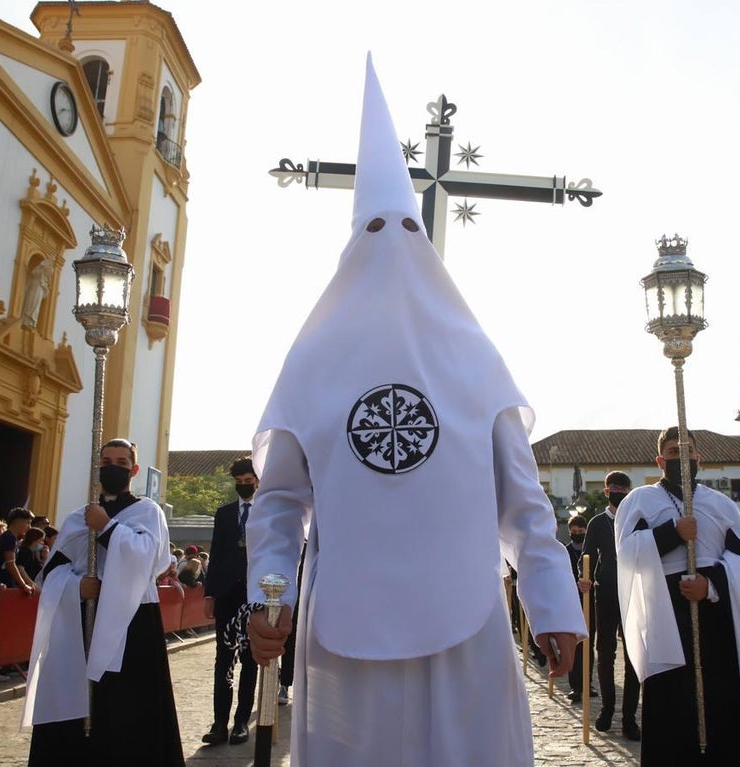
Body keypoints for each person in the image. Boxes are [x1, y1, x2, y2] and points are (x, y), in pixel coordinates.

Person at [243, 57, 585, 767]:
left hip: (467, 625)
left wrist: (552, 604)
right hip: (345, 630)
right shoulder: (311, 364)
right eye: (376, 229)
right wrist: (264, 599)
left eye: (405, 228)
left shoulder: (475, 359)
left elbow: (523, 505)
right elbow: (278, 505)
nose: (390, 245)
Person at [616, 427, 740, 766]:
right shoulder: (640, 500)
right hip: (667, 611)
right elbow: (628, 555)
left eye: (687, 451)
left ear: (699, 458)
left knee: (724, 696)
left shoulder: (721, 503)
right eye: (674, 452)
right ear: (661, 460)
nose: (682, 458)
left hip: (716, 611)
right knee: (671, 700)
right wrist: (672, 533)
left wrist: (711, 584)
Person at [23, 438, 183, 767]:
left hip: (132, 621)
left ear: (133, 470)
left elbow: (146, 559)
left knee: (128, 708)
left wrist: (107, 527)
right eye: (106, 461)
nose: (113, 467)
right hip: (82, 620)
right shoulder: (75, 519)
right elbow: (50, 573)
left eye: (121, 463)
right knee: (78, 702)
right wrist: (75, 586)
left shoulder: (147, 512)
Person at [577, 471, 641, 738]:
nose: (619, 492)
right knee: (605, 653)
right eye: (614, 487)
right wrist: (585, 577)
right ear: (606, 491)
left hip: (634, 594)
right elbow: (586, 556)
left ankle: (629, 717)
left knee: (633, 656)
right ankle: (606, 708)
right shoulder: (597, 523)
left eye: (624, 488)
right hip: (605, 595)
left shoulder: (638, 520)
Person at [201, 456, 259, 746]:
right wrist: (209, 593)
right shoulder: (224, 514)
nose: (243, 487)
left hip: (254, 596)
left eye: (248, 482)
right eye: (239, 483)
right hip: (226, 595)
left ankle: (241, 722)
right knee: (223, 658)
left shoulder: (267, 512)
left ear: (257, 481)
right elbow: (216, 554)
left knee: (249, 659)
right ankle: (219, 723)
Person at [564, 514, 596, 702]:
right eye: (573, 532)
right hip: (572, 602)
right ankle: (575, 685)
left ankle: (587, 682)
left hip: (589, 602)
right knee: (574, 643)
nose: (576, 534)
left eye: (580, 531)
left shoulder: (591, 550)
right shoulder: (565, 551)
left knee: (588, 644)